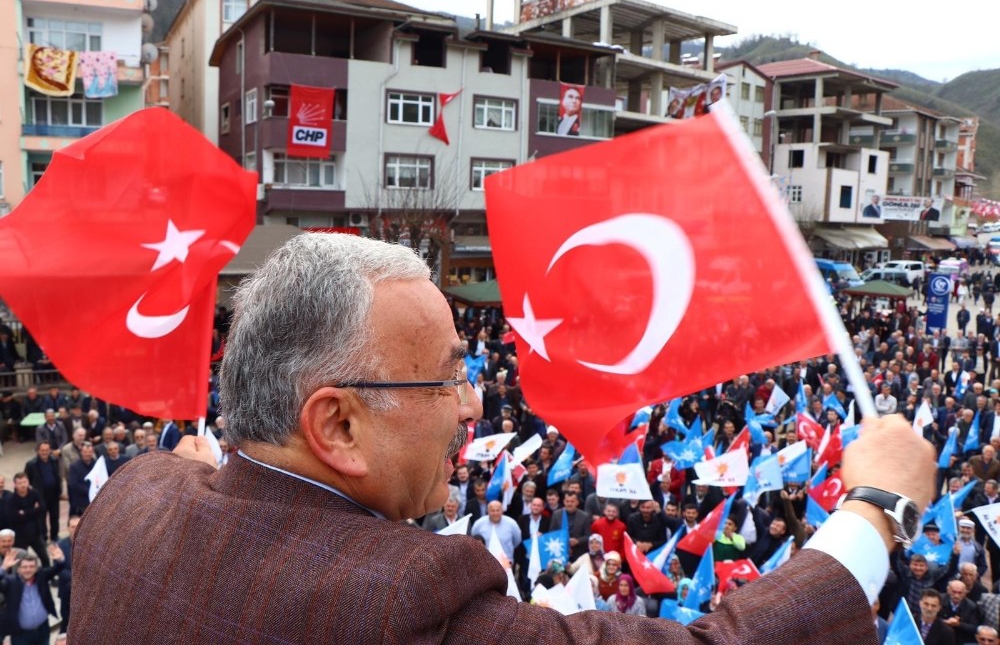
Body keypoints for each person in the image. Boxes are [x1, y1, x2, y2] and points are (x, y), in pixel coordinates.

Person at [71, 233, 937, 643]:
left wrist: (194, 472)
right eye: (446, 376)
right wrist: (876, 507)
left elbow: (191, 482)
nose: (473, 406)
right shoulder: (405, 603)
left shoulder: (133, 502)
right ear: (336, 423)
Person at [2, 548, 65, 645]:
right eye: (24, 567)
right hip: (20, 634)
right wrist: (3, 568)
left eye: (31, 566)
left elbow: (57, 568)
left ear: (36, 568)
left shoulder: (41, 576)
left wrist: (60, 559)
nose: (28, 570)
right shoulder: (11, 582)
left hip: (43, 630)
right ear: (18, 569)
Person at [5, 473, 49, 566]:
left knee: (45, 558)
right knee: (19, 560)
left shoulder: (35, 493)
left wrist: (24, 512)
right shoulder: (11, 499)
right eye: (19, 483)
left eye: (24, 482)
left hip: (36, 534)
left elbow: (42, 508)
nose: (22, 485)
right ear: (15, 485)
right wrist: (33, 510)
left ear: (28, 482)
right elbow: (14, 517)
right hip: (20, 536)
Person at [24, 442, 61, 542]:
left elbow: (58, 476)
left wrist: (60, 491)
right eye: (42, 450)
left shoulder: (54, 460)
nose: (45, 452)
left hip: (53, 494)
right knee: (41, 518)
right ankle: (43, 538)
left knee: (55, 516)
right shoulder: (31, 464)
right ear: (38, 451)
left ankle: (55, 536)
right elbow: (27, 481)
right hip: (40, 495)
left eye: (47, 450)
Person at [55, 515, 78, 635]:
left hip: (82, 592)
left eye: (78, 525)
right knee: (66, 620)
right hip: (66, 591)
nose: (75, 528)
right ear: (68, 528)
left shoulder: (89, 543)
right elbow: (59, 570)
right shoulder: (60, 545)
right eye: (72, 526)